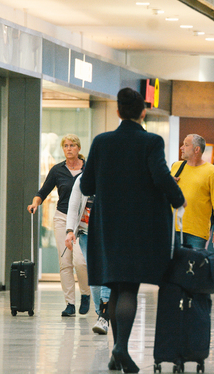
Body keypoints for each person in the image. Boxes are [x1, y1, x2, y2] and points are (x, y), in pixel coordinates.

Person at [80, 88, 185, 373]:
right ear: (143, 112)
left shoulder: (101, 142)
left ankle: (117, 354)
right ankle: (121, 347)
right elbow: (161, 176)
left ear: (117, 112)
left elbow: (86, 186)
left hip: (106, 226)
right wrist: (179, 199)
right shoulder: (151, 142)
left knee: (114, 285)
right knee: (128, 287)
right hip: (139, 227)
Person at [27, 133, 90, 317]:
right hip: (62, 218)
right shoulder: (57, 170)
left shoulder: (87, 169)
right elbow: (43, 191)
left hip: (83, 220)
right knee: (65, 262)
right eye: (66, 146)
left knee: (80, 262)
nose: (68, 149)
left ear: (78, 148)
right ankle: (70, 303)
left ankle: (85, 294)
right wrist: (35, 203)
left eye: (72, 145)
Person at [65, 173, 112, 334]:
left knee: (106, 270)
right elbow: (73, 206)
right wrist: (70, 231)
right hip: (86, 233)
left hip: (109, 233)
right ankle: (101, 313)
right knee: (95, 274)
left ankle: (104, 316)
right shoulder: (82, 179)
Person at [170, 134, 214, 249]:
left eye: (186, 145)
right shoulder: (176, 166)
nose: (181, 148)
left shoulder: (212, 171)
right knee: (172, 266)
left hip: (196, 232)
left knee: (194, 266)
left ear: (197, 149)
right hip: (173, 228)